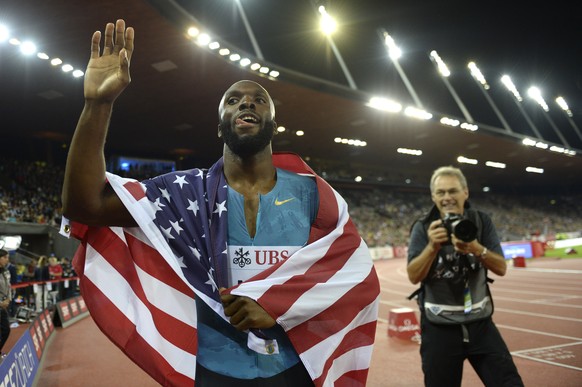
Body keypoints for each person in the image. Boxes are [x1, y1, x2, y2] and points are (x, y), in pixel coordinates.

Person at [61, 19, 379, 387]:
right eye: (234, 99)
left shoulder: (312, 194)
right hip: (215, 372)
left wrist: (275, 303)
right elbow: (85, 206)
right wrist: (97, 104)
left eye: (259, 99)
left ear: (274, 124)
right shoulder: (183, 192)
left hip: (294, 371)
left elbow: (353, 270)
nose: (247, 101)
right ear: (219, 126)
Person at [407, 166, 523, 387]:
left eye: (453, 191)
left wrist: (475, 248)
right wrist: (432, 246)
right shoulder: (423, 228)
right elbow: (413, 276)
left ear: (465, 193)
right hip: (439, 327)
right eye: (441, 193)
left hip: (480, 323)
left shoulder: (480, 222)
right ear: (433, 196)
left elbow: (501, 268)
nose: (447, 197)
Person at [0, 249, 14, 358]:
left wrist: (8, 299)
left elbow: (9, 286)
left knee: (6, 330)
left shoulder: (6, 271)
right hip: (0, 304)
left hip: (4, 305)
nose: (7, 260)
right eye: (5, 257)